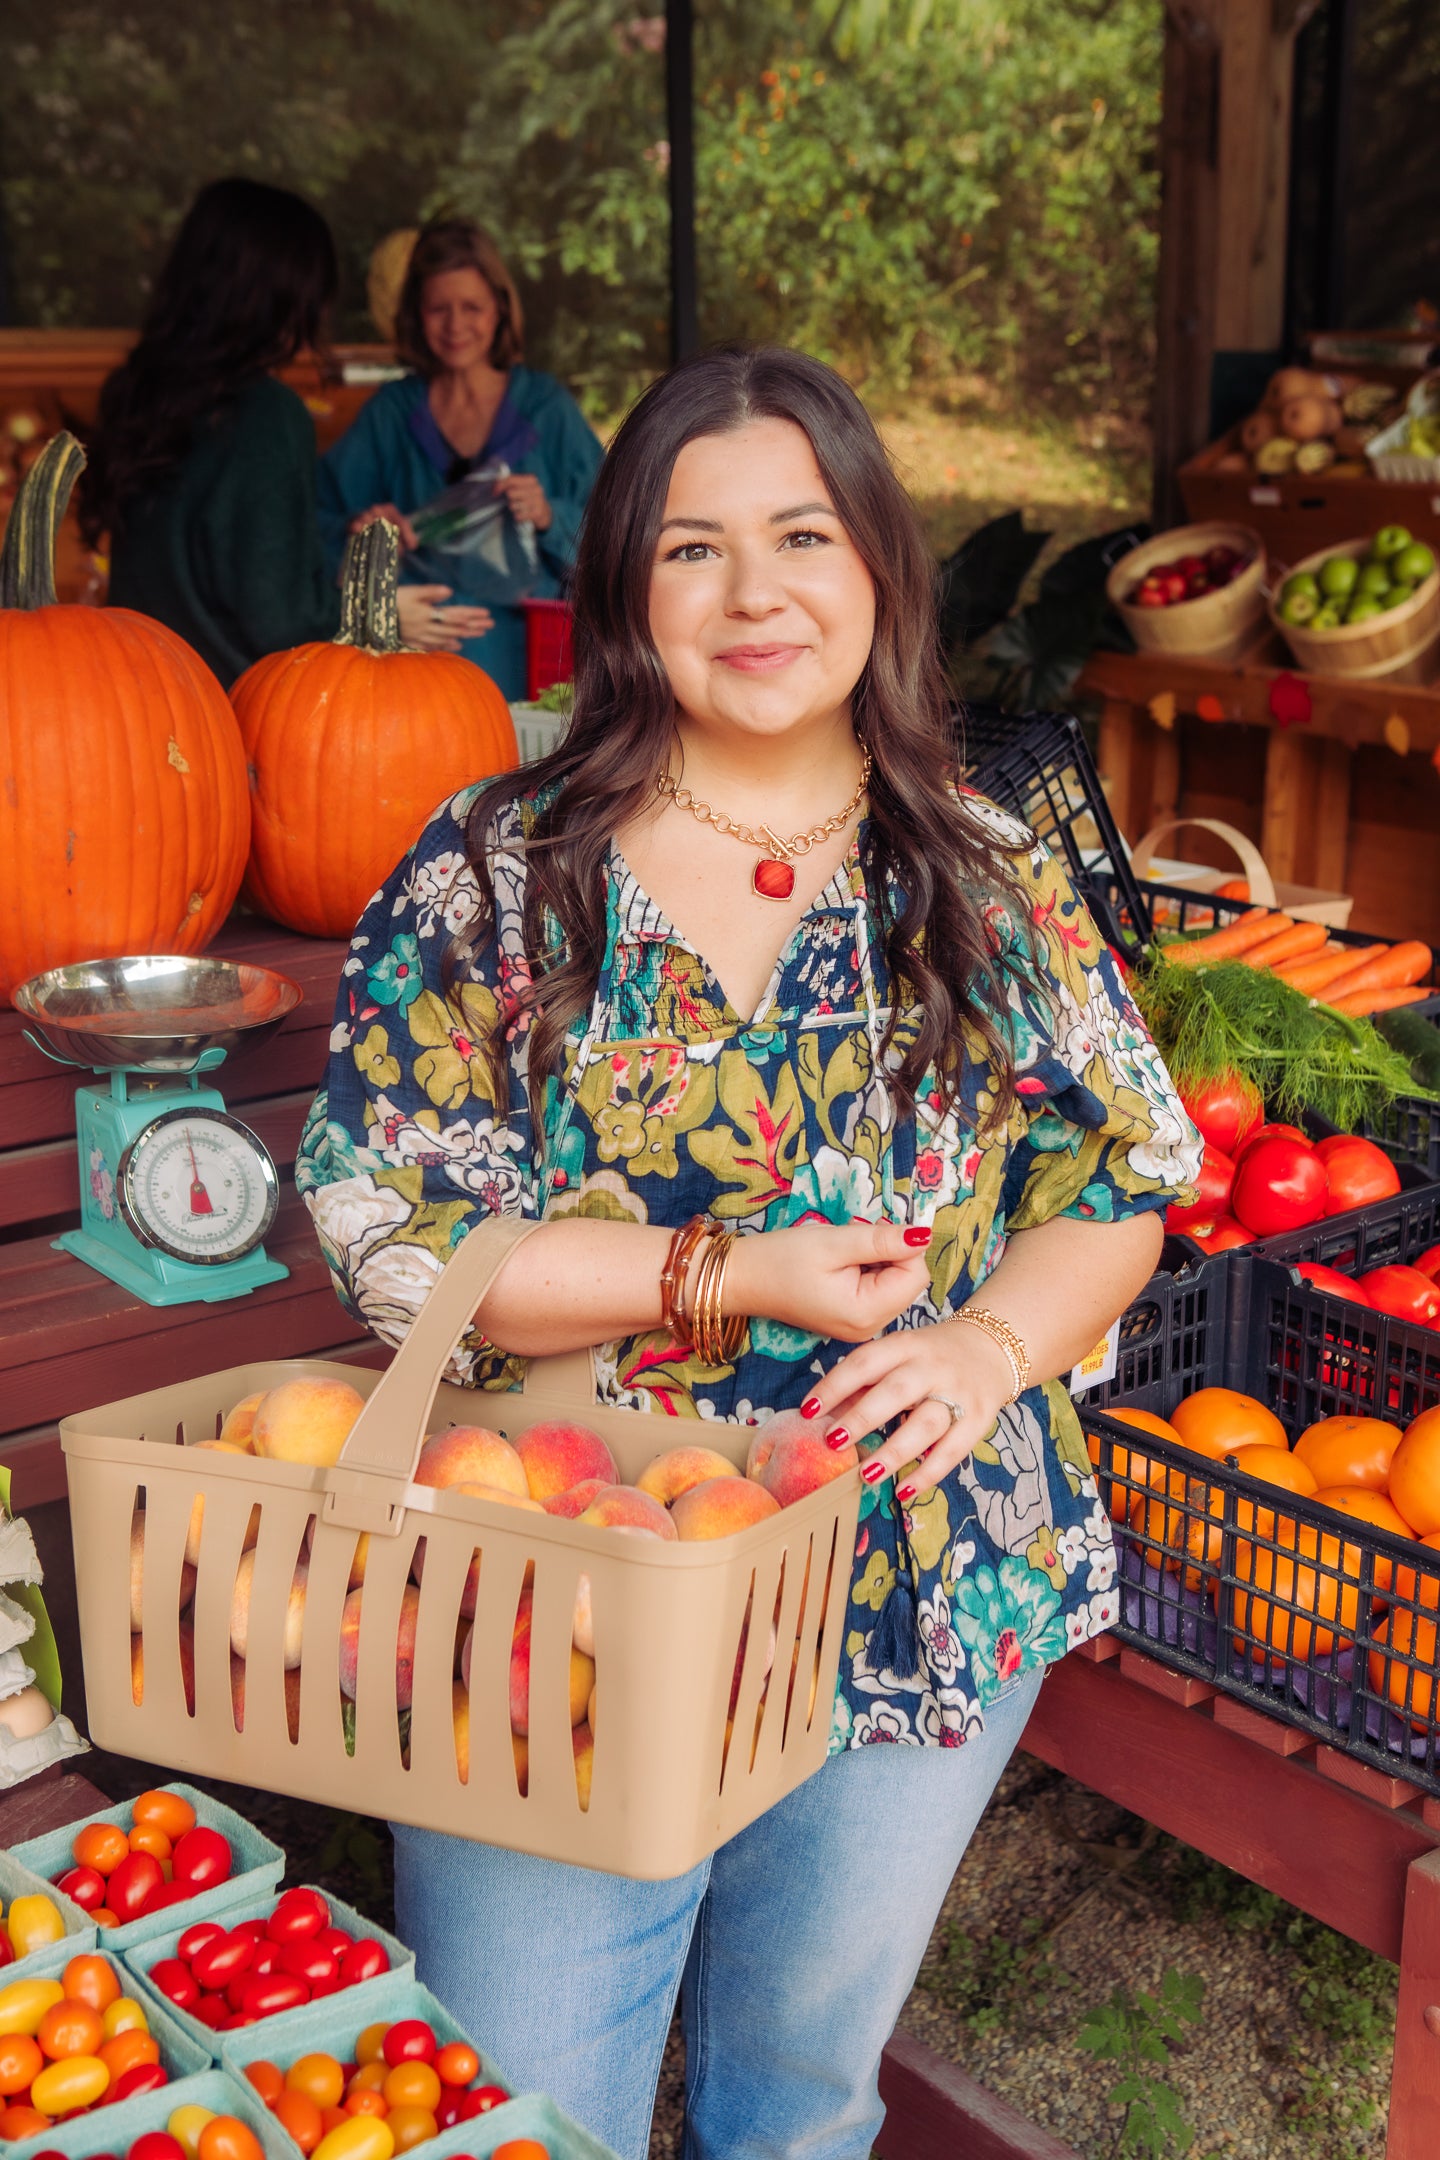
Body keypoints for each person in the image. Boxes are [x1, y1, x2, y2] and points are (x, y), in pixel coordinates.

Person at [298, 345, 1200, 2158]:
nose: (756, 590)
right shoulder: (500, 869)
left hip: (914, 1561)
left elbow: (1123, 1179)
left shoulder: (984, 871)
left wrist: (985, 1353)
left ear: (879, 568)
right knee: (521, 2107)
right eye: (694, 547)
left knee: (795, 2106)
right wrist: (727, 1275)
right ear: (628, 587)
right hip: (555, 1583)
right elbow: (385, 1227)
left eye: (803, 533)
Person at [82, 178, 488, 687]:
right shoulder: (266, 414)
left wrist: (340, 548)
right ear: (285, 294)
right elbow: (279, 619)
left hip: (135, 700)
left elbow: (211, 569)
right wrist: (379, 614)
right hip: (229, 717)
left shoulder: (136, 395)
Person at [317, 218, 603, 699]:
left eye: (471, 307)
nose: (455, 326)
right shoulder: (392, 415)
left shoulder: (545, 409)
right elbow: (314, 529)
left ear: (499, 310)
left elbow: (620, 537)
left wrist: (550, 516)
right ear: (415, 316)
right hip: (411, 676)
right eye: (438, 309)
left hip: (536, 672)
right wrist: (364, 531)